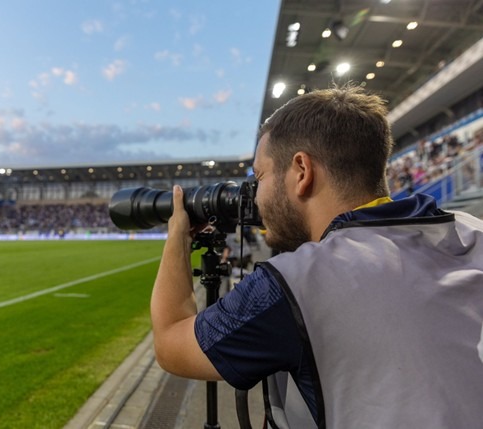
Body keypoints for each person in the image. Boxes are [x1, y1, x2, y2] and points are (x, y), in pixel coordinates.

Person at [150, 85, 483, 428]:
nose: (255, 196)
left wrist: (177, 235)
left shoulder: (300, 281)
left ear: (301, 171)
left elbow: (170, 342)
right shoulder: (473, 231)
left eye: (260, 176)